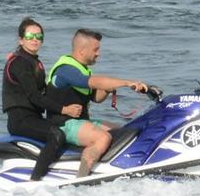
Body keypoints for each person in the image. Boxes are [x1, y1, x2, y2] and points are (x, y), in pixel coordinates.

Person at [46, 28, 156, 178]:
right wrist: (126, 83)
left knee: (124, 131)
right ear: (82, 50)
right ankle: (82, 178)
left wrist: (109, 88)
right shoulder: (66, 69)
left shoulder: (81, 69)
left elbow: (96, 98)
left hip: (78, 121)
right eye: (96, 49)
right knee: (102, 137)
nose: (99, 53)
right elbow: (93, 82)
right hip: (63, 124)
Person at [1, 17, 83, 181]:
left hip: (33, 117)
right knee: (56, 135)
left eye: (39, 37)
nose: (35, 40)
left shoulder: (33, 61)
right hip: (21, 119)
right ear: (21, 39)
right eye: (31, 36)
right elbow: (34, 96)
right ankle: (35, 179)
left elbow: (46, 91)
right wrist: (64, 109)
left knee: (68, 129)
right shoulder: (19, 63)